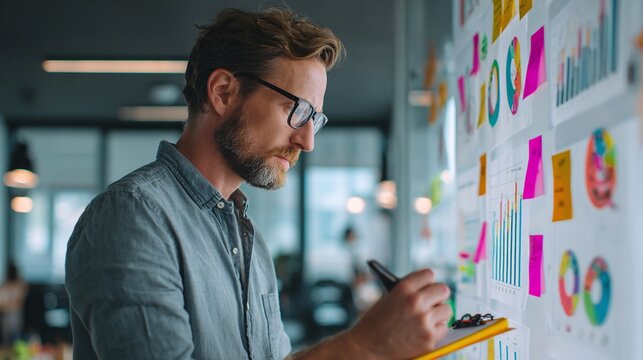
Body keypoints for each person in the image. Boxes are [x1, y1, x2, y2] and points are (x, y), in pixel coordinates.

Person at [65, 8, 452, 359]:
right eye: (296, 110)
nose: (307, 141)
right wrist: (362, 346)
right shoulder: (132, 217)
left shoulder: (248, 238)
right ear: (223, 92)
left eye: (314, 119)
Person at [0, 262, 28, 346]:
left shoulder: (18, 285)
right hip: (9, 315)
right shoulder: (7, 286)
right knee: (9, 338)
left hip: (13, 314)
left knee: (14, 338)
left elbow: (19, 303)